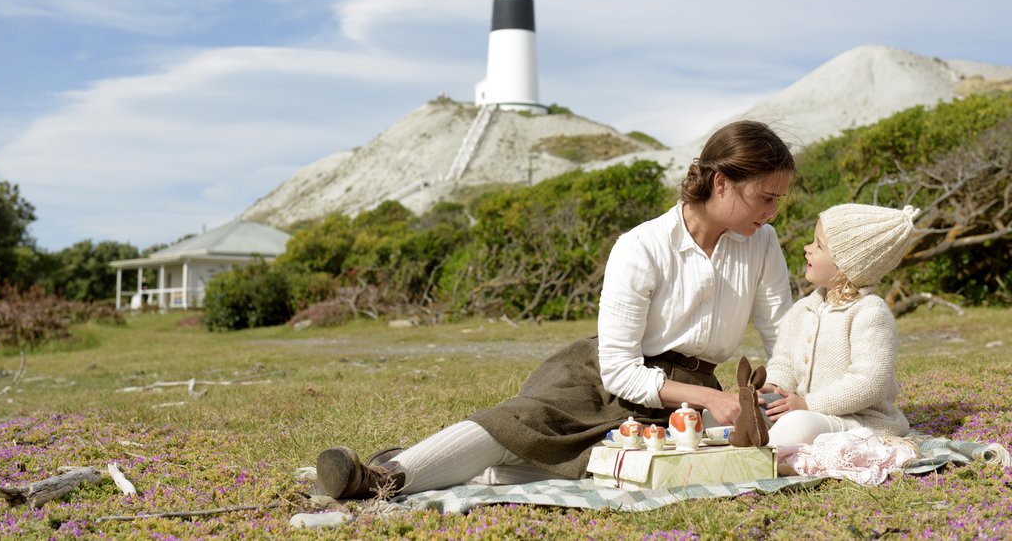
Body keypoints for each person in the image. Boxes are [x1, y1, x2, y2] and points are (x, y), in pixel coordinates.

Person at [316, 120, 796, 499]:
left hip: (690, 392)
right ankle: (381, 478)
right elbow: (620, 370)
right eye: (765, 197)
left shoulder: (763, 243)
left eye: (779, 200)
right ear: (721, 182)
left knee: (623, 462)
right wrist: (715, 401)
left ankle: (445, 464)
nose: (773, 211)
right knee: (525, 421)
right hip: (606, 375)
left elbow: (782, 334)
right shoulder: (642, 246)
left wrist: (777, 389)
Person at [761, 203, 920, 446]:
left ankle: (763, 446)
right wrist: (774, 387)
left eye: (818, 245)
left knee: (798, 426)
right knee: (740, 413)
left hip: (858, 421)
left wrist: (808, 405)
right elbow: (783, 361)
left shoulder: (869, 312)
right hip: (802, 411)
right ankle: (755, 436)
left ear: (846, 265)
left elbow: (870, 382)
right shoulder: (802, 309)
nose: (807, 249)